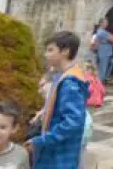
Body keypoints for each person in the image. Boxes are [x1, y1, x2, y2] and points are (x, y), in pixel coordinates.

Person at [27, 31, 89, 169]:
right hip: (55, 151)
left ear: (65, 51)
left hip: (60, 155)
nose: (46, 54)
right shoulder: (62, 76)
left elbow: (73, 122)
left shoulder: (70, 82)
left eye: (50, 50)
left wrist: (42, 140)